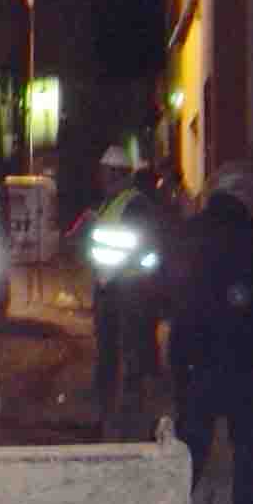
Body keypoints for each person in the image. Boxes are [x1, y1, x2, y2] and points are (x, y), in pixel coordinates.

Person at [167, 161, 253, 504]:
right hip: (234, 353)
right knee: (251, 437)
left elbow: (176, 289)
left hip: (193, 352)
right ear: (243, 195)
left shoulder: (192, 229)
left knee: (193, 438)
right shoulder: (243, 232)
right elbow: (245, 296)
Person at [86, 147, 167, 440]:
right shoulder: (111, 204)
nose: (99, 176)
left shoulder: (134, 205)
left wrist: (117, 276)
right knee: (109, 353)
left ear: (115, 173)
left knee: (132, 356)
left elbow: (143, 248)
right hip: (111, 289)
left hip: (128, 291)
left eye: (103, 171)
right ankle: (108, 416)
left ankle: (132, 420)